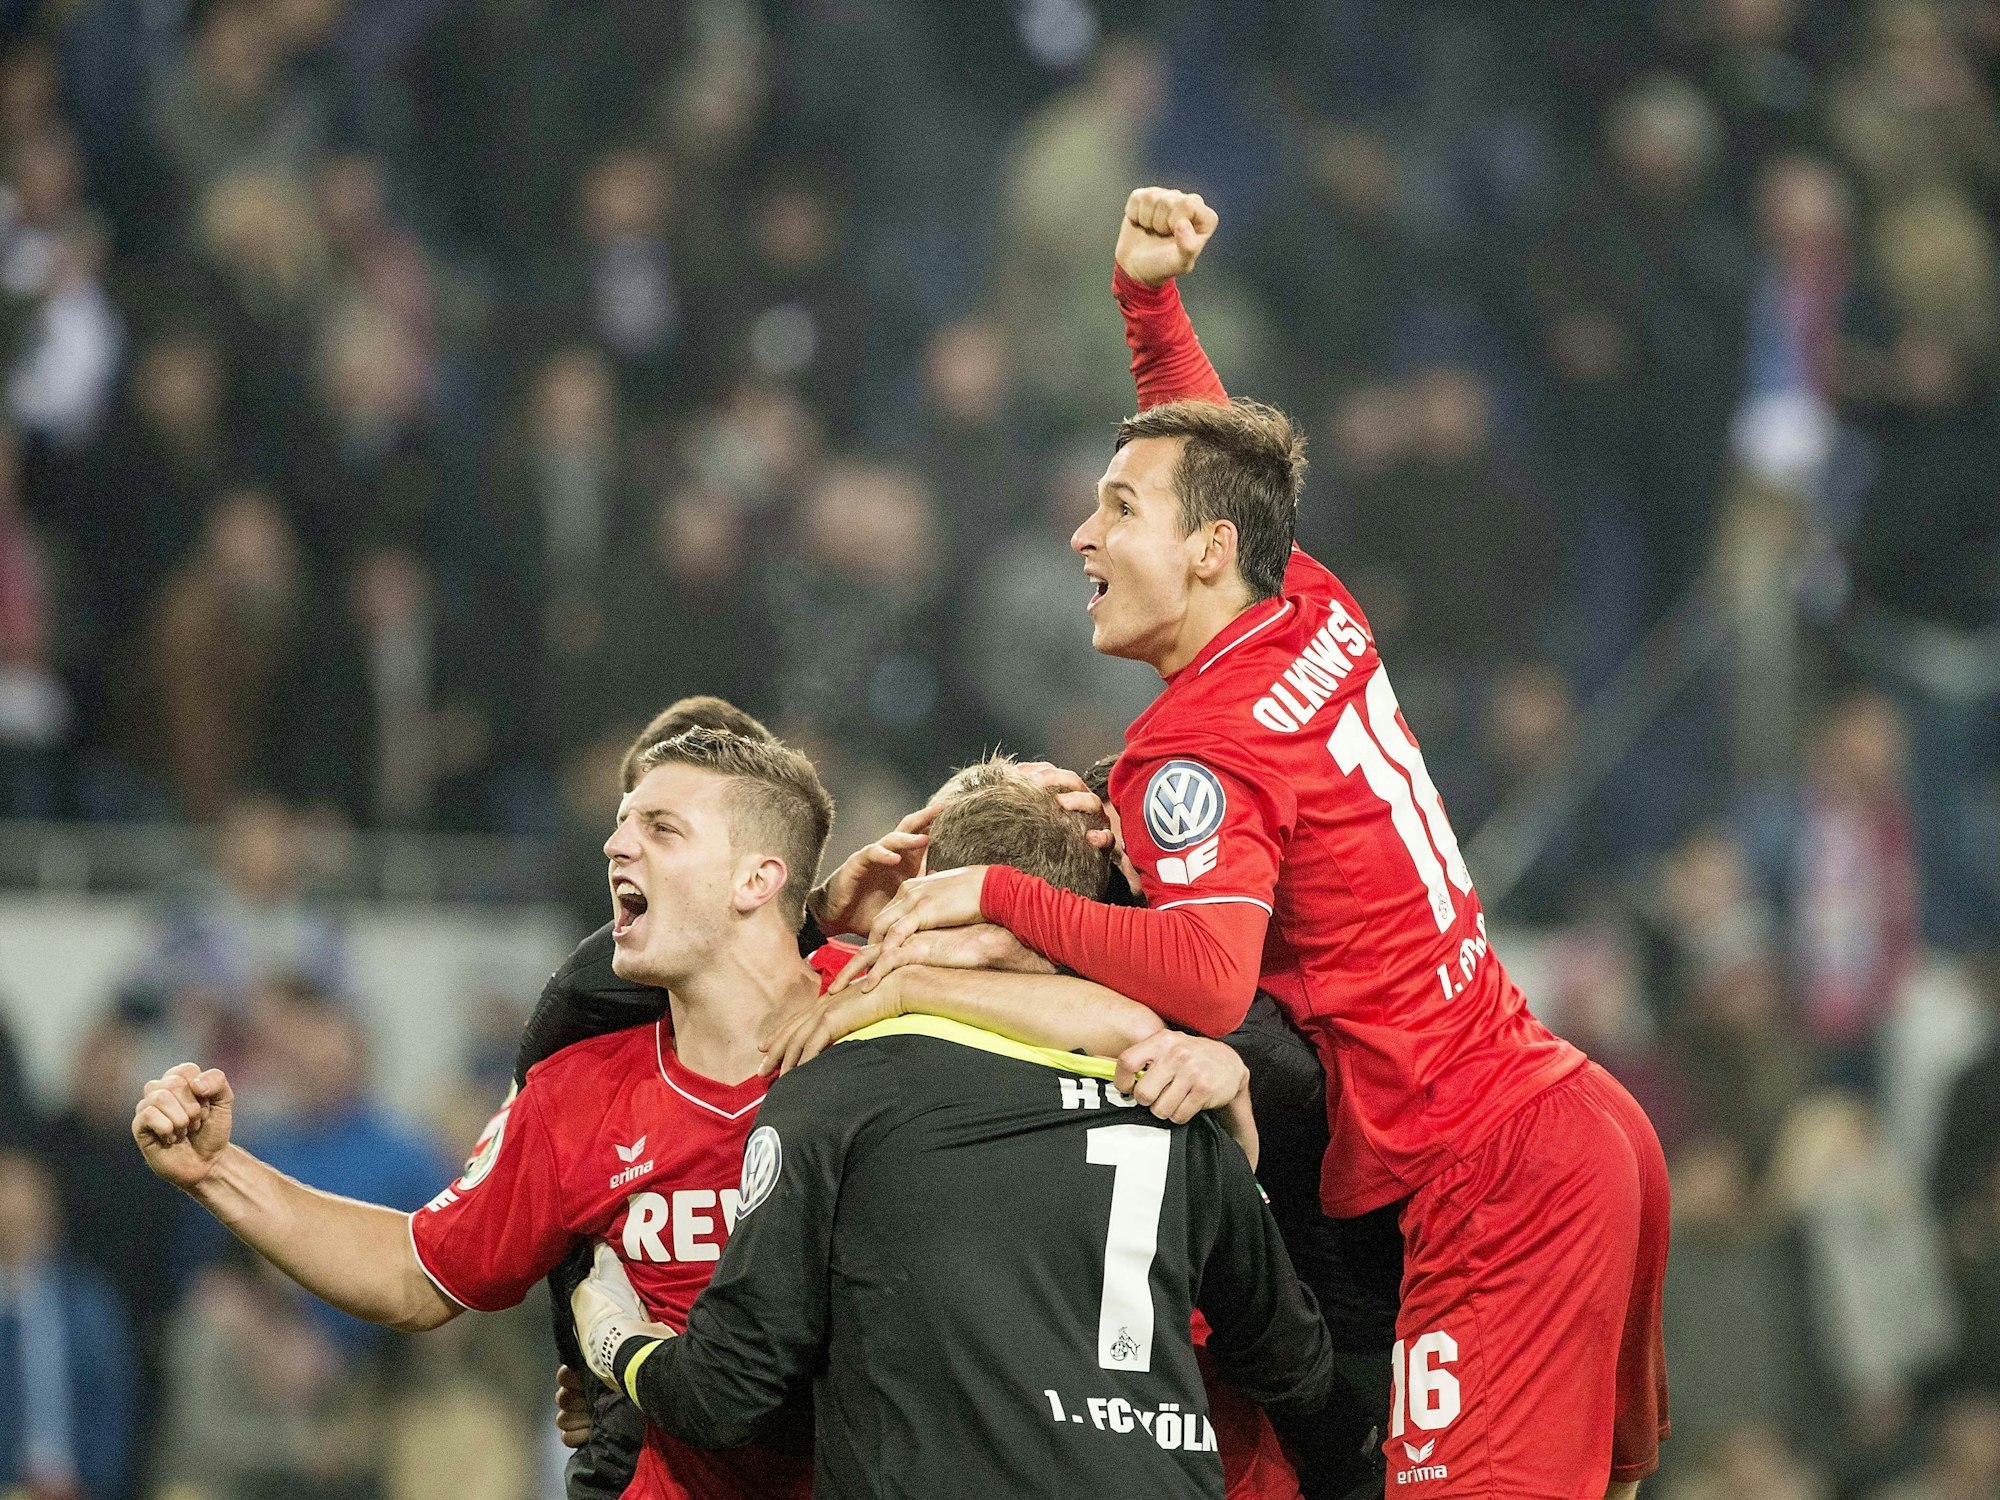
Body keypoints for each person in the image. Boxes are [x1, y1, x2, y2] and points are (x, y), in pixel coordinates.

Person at [856, 187, 1671, 1499]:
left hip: (1491, 1181)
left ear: (1207, 552)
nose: (1084, 535)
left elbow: (1206, 978)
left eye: (1116, 511)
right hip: (1575, 1124)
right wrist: (1149, 303)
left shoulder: (1197, 745)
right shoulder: (1301, 603)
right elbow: (1220, 459)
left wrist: (1003, 892)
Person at [565, 768, 1339, 1500]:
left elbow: (723, 1396)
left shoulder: (831, 1095)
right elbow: (1296, 1368)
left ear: (925, 900)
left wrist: (612, 1338)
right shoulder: (1178, 1086)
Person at [133, 727, 843, 1500]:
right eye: (622, 821)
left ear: (757, 880)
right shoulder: (578, 1092)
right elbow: (415, 1271)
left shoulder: (893, 1028)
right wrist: (215, 1171)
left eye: (661, 827)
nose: (614, 845)